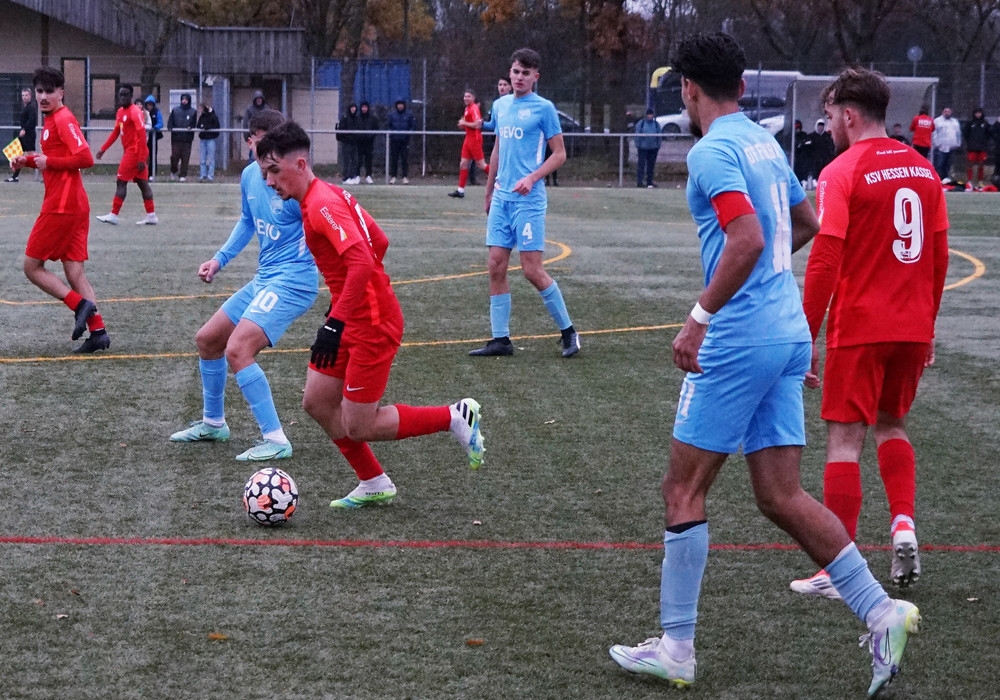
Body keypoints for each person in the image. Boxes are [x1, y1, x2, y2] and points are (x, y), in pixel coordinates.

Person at [607, 35, 919, 696]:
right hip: (787, 334)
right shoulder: (762, 142)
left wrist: (700, 316)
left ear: (689, 88)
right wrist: (769, 282)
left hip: (740, 340)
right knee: (780, 495)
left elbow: (747, 237)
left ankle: (676, 648)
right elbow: (803, 222)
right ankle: (881, 612)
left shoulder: (711, 151)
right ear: (742, 87)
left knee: (682, 490)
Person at [254, 120, 485, 508]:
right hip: (351, 317)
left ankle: (454, 416)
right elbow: (379, 240)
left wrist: (339, 317)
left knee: (359, 424)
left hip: (372, 324)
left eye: (274, 171)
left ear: (300, 163)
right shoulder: (327, 195)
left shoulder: (322, 203)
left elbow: (361, 260)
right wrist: (345, 304)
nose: (270, 181)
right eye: (265, 173)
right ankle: (374, 482)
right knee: (317, 402)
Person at [790, 67, 950, 601]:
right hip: (912, 325)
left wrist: (806, 333)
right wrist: (927, 326)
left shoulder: (842, 169)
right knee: (892, 424)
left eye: (831, 115)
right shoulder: (925, 170)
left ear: (850, 115)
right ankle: (903, 523)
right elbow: (939, 256)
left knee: (844, 440)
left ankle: (840, 570)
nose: (828, 125)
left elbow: (825, 258)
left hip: (860, 325)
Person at [170, 109, 319, 462]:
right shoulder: (251, 176)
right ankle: (213, 423)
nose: (266, 153)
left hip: (292, 281)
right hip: (265, 278)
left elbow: (321, 228)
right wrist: (218, 259)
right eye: (260, 143)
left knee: (238, 349)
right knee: (208, 340)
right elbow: (248, 221)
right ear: (251, 141)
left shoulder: (294, 184)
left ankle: (276, 438)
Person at [470, 48, 579, 359]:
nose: (519, 78)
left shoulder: (544, 109)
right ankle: (500, 339)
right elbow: (498, 148)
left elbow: (560, 154)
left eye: (526, 73)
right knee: (495, 265)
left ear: (535, 77)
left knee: (532, 270)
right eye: (516, 72)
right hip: (502, 198)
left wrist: (532, 178)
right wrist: (489, 190)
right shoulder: (501, 106)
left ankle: (569, 332)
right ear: (510, 72)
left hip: (528, 201)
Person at [11, 67, 110, 353]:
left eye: (49, 91)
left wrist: (48, 162)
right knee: (75, 272)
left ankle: (79, 305)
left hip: (62, 206)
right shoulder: (52, 120)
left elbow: (85, 158)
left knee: (32, 266)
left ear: (61, 93)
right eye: (39, 91)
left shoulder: (63, 119)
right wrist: (27, 160)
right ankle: (98, 332)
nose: (43, 96)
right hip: (74, 204)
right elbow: (53, 157)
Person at [95, 85, 158, 226]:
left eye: (125, 95)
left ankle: (113, 214)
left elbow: (142, 135)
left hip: (135, 152)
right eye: (120, 95)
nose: (122, 97)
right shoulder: (120, 112)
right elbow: (116, 132)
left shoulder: (135, 112)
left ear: (131, 96)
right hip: (131, 151)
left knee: (121, 181)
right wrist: (103, 149)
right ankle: (151, 215)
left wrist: (141, 157)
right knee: (142, 183)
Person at [447, 89, 489, 198]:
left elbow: (477, 125)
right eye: (465, 96)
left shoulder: (474, 108)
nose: (466, 98)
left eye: (469, 96)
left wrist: (464, 123)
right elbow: (469, 124)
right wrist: (463, 125)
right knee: (463, 163)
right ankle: (460, 190)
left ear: (473, 98)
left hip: (475, 139)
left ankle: (501, 180)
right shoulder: (467, 108)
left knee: (481, 164)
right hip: (468, 139)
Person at [6, 87, 37, 182]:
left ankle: (47, 173)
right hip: (24, 135)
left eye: (26, 95)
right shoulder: (26, 106)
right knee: (17, 153)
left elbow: (32, 121)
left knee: (32, 156)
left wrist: (24, 129)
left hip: (29, 135)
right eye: (23, 95)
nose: (24, 97)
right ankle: (15, 176)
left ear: (30, 96)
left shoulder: (31, 107)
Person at [167, 93, 197, 181]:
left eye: (186, 99)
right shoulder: (175, 110)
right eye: (183, 99)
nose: (184, 101)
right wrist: (170, 127)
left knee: (185, 157)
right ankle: (173, 171)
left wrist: (190, 127)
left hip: (187, 139)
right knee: (174, 156)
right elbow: (170, 121)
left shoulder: (193, 112)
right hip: (176, 138)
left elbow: (193, 124)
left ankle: (183, 175)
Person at [386, 98, 416, 184]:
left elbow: (413, 126)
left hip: (405, 141)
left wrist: (409, 133)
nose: (400, 106)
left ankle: (404, 177)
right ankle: (393, 176)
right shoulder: (392, 115)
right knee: (394, 159)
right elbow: (388, 125)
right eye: (398, 104)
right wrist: (391, 134)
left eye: (401, 104)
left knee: (404, 159)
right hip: (394, 140)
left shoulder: (409, 114)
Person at [932, 106, 962, 181]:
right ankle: (938, 180)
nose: (947, 113)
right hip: (941, 148)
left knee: (949, 165)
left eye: (948, 111)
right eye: (945, 111)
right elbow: (934, 133)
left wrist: (958, 143)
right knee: (939, 165)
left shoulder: (955, 122)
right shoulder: (937, 121)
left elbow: (958, 134)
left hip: (952, 148)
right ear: (942, 112)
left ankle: (946, 181)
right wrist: (937, 144)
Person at [963, 107, 990, 189]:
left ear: (982, 114)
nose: (978, 114)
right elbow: (966, 134)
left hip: (982, 148)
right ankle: (969, 181)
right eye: (976, 113)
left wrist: (983, 142)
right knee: (970, 164)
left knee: (981, 164)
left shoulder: (985, 123)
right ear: (974, 114)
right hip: (972, 148)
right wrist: (971, 142)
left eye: (979, 113)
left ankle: (980, 181)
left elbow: (988, 134)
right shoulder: (970, 123)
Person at [634, 108, 661, 188]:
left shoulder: (656, 124)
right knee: (641, 165)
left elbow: (659, 136)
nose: (650, 116)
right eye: (648, 114)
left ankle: (649, 182)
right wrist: (638, 145)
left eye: (651, 114)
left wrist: (658, 145)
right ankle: (640, 182)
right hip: (643, 148)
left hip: (653, 148)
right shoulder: (641, 123)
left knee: (651, 166)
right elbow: (637, 135)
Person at [196, 102, 221, 182]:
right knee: (202, 159)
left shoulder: (214, 116)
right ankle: (202, 175)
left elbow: (216, 126)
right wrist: (203, 126)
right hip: (203, 139)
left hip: (211, 140)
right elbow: (199, 125)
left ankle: (210, 176)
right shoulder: (202, 116)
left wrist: (207, 127)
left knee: (211, 158)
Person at [355, 101, 378, 184]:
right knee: (359, 160)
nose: (364, 109)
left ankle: (368, 175)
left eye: (365, 107)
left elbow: (376, 129)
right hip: (359, 143)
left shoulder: (372, 118)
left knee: (368, 160)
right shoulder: (357, 118)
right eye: (363, 107)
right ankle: (357, 176)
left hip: (369, 143)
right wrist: (358, 137)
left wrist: (370, 136)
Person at [337, 103, 360, 185]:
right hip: (347, 143)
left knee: (355, 160)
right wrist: (347, 137)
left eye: (354, 108)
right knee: (346, 160)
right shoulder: (345, 118)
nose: (353, 109)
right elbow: (341, 130)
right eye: (352, 108)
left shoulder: (357, 118)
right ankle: (346, 177)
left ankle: (352, 176)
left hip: (354, 143)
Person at [244, 90, 268, 162]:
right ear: (255, 99)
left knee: (264, 155)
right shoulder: (250, 109)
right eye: (257, 99)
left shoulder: (266, 108)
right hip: (254, 135)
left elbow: (270, 121)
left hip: (264, 136)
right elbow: (245, 123)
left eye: (260, 99)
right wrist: (246, 136)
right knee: (253, 156)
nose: (259, 100)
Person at [143, 95, 164, 178]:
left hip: (153, 137)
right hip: (143, 137)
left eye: (151, 104)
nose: (149, 106)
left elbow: (161, 123)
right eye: (148, 104)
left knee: (152, 155)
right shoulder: (143, 112)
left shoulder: (157, 112)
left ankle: (152, 173)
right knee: (143, 155)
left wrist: (154, 127)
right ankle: (143, 173)